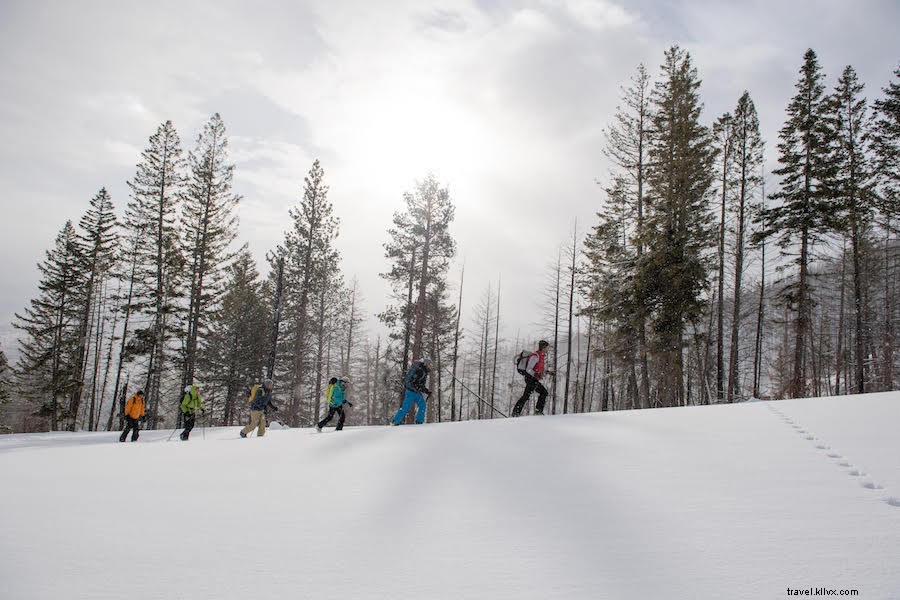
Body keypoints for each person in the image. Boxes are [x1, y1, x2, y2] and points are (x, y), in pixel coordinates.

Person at [512, 340, 553, 417]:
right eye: (547, 347)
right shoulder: (535, 356)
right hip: (530, 378)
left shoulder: (541, 356)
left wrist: (548, 372)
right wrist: (536, 374)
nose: (548, 349)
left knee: (542, 393)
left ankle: (537, 411)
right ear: (543, 347)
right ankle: (516, 412)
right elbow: (528, 369)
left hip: (534, 379)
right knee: (528, 395)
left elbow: (539, 368)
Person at [391, 357, 433, 426]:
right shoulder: (420, 371)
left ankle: (419, 422)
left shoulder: (424, 371)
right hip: (411, 392)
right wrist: (420, 388)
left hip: (416, 392)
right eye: (430, 365)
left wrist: (427, 391)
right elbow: (416, 383)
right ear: (426, 364)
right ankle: (395, 421)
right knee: (405, 408)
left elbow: (421, 385)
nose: (431, 367)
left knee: (422, 405)